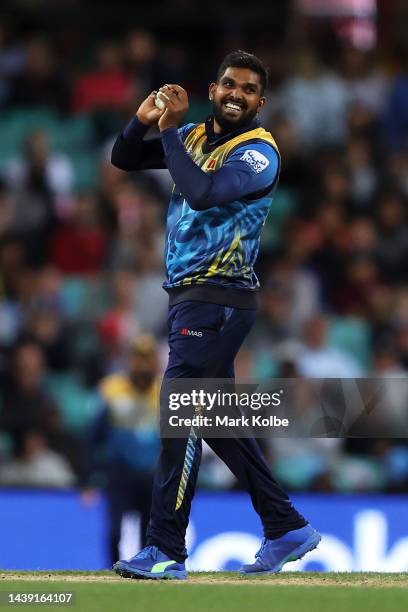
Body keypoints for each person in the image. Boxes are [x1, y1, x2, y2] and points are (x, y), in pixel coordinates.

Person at [110, 50, 321, 580]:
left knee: (179, 415)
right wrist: (143, 121)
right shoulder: (198, 139)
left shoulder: (258, 153)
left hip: (218, 298)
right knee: (218, 423)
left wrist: (173, 131)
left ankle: (164, 548)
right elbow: (124, 158)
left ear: (260, 102)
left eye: (248, 89)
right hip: (192, 297)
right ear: (214, 88)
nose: (236, 94)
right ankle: (285, 525)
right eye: (229, 84)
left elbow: (203, 194)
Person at [80, 335, 160, 565]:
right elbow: (92, 437)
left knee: (150, 532)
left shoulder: (166, 392)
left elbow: (180, 441)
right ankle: (111, 572)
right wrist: (87, 479)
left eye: (147, 359)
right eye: (138, 358)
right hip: (119, 472)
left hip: (152, 475)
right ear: (129, 360)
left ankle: (146, 571)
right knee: (114, 530)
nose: (143, 365)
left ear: (155, 361)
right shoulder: (111, 390)